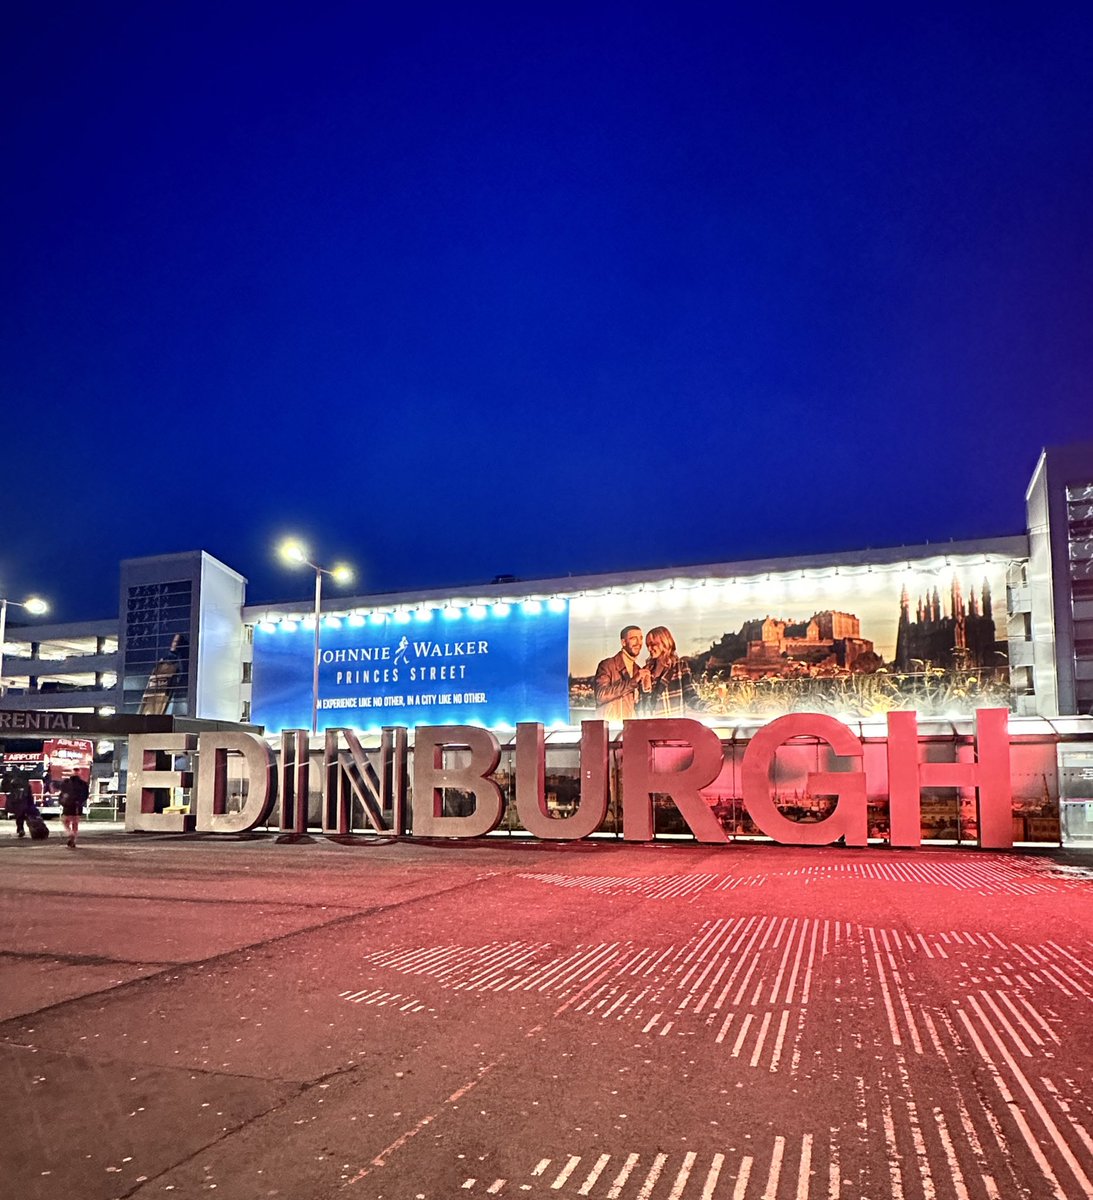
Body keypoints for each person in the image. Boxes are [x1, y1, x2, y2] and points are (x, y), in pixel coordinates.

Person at [639, 626, 707, 716]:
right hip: (650, 725)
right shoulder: (647, 670)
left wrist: (707, 707)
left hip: (672, 724)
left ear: (664, 643)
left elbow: (690, 695)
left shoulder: (680, 666)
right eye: (647, 645)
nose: (649, 649)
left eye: (652, 644)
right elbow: (641, 703)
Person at [594, 625, 650, 720]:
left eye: (640, 638)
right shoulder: (608, 665)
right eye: (634, 639)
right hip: (610, 729)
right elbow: (601, 696)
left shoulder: (638, 669)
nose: (639, 643)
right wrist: (633, 681)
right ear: (623, 642)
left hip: (630, 729)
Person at [59, 771, 89, 849]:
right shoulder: (83, 784)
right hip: (77, 806)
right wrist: (80, 802)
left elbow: (62, 794)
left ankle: (70, 833)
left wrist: (62, 802)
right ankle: (74, 840)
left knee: (65, 821)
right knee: (75, 824)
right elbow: (86, 795)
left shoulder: (66, 783)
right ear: (79, 774)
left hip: (67, 806)